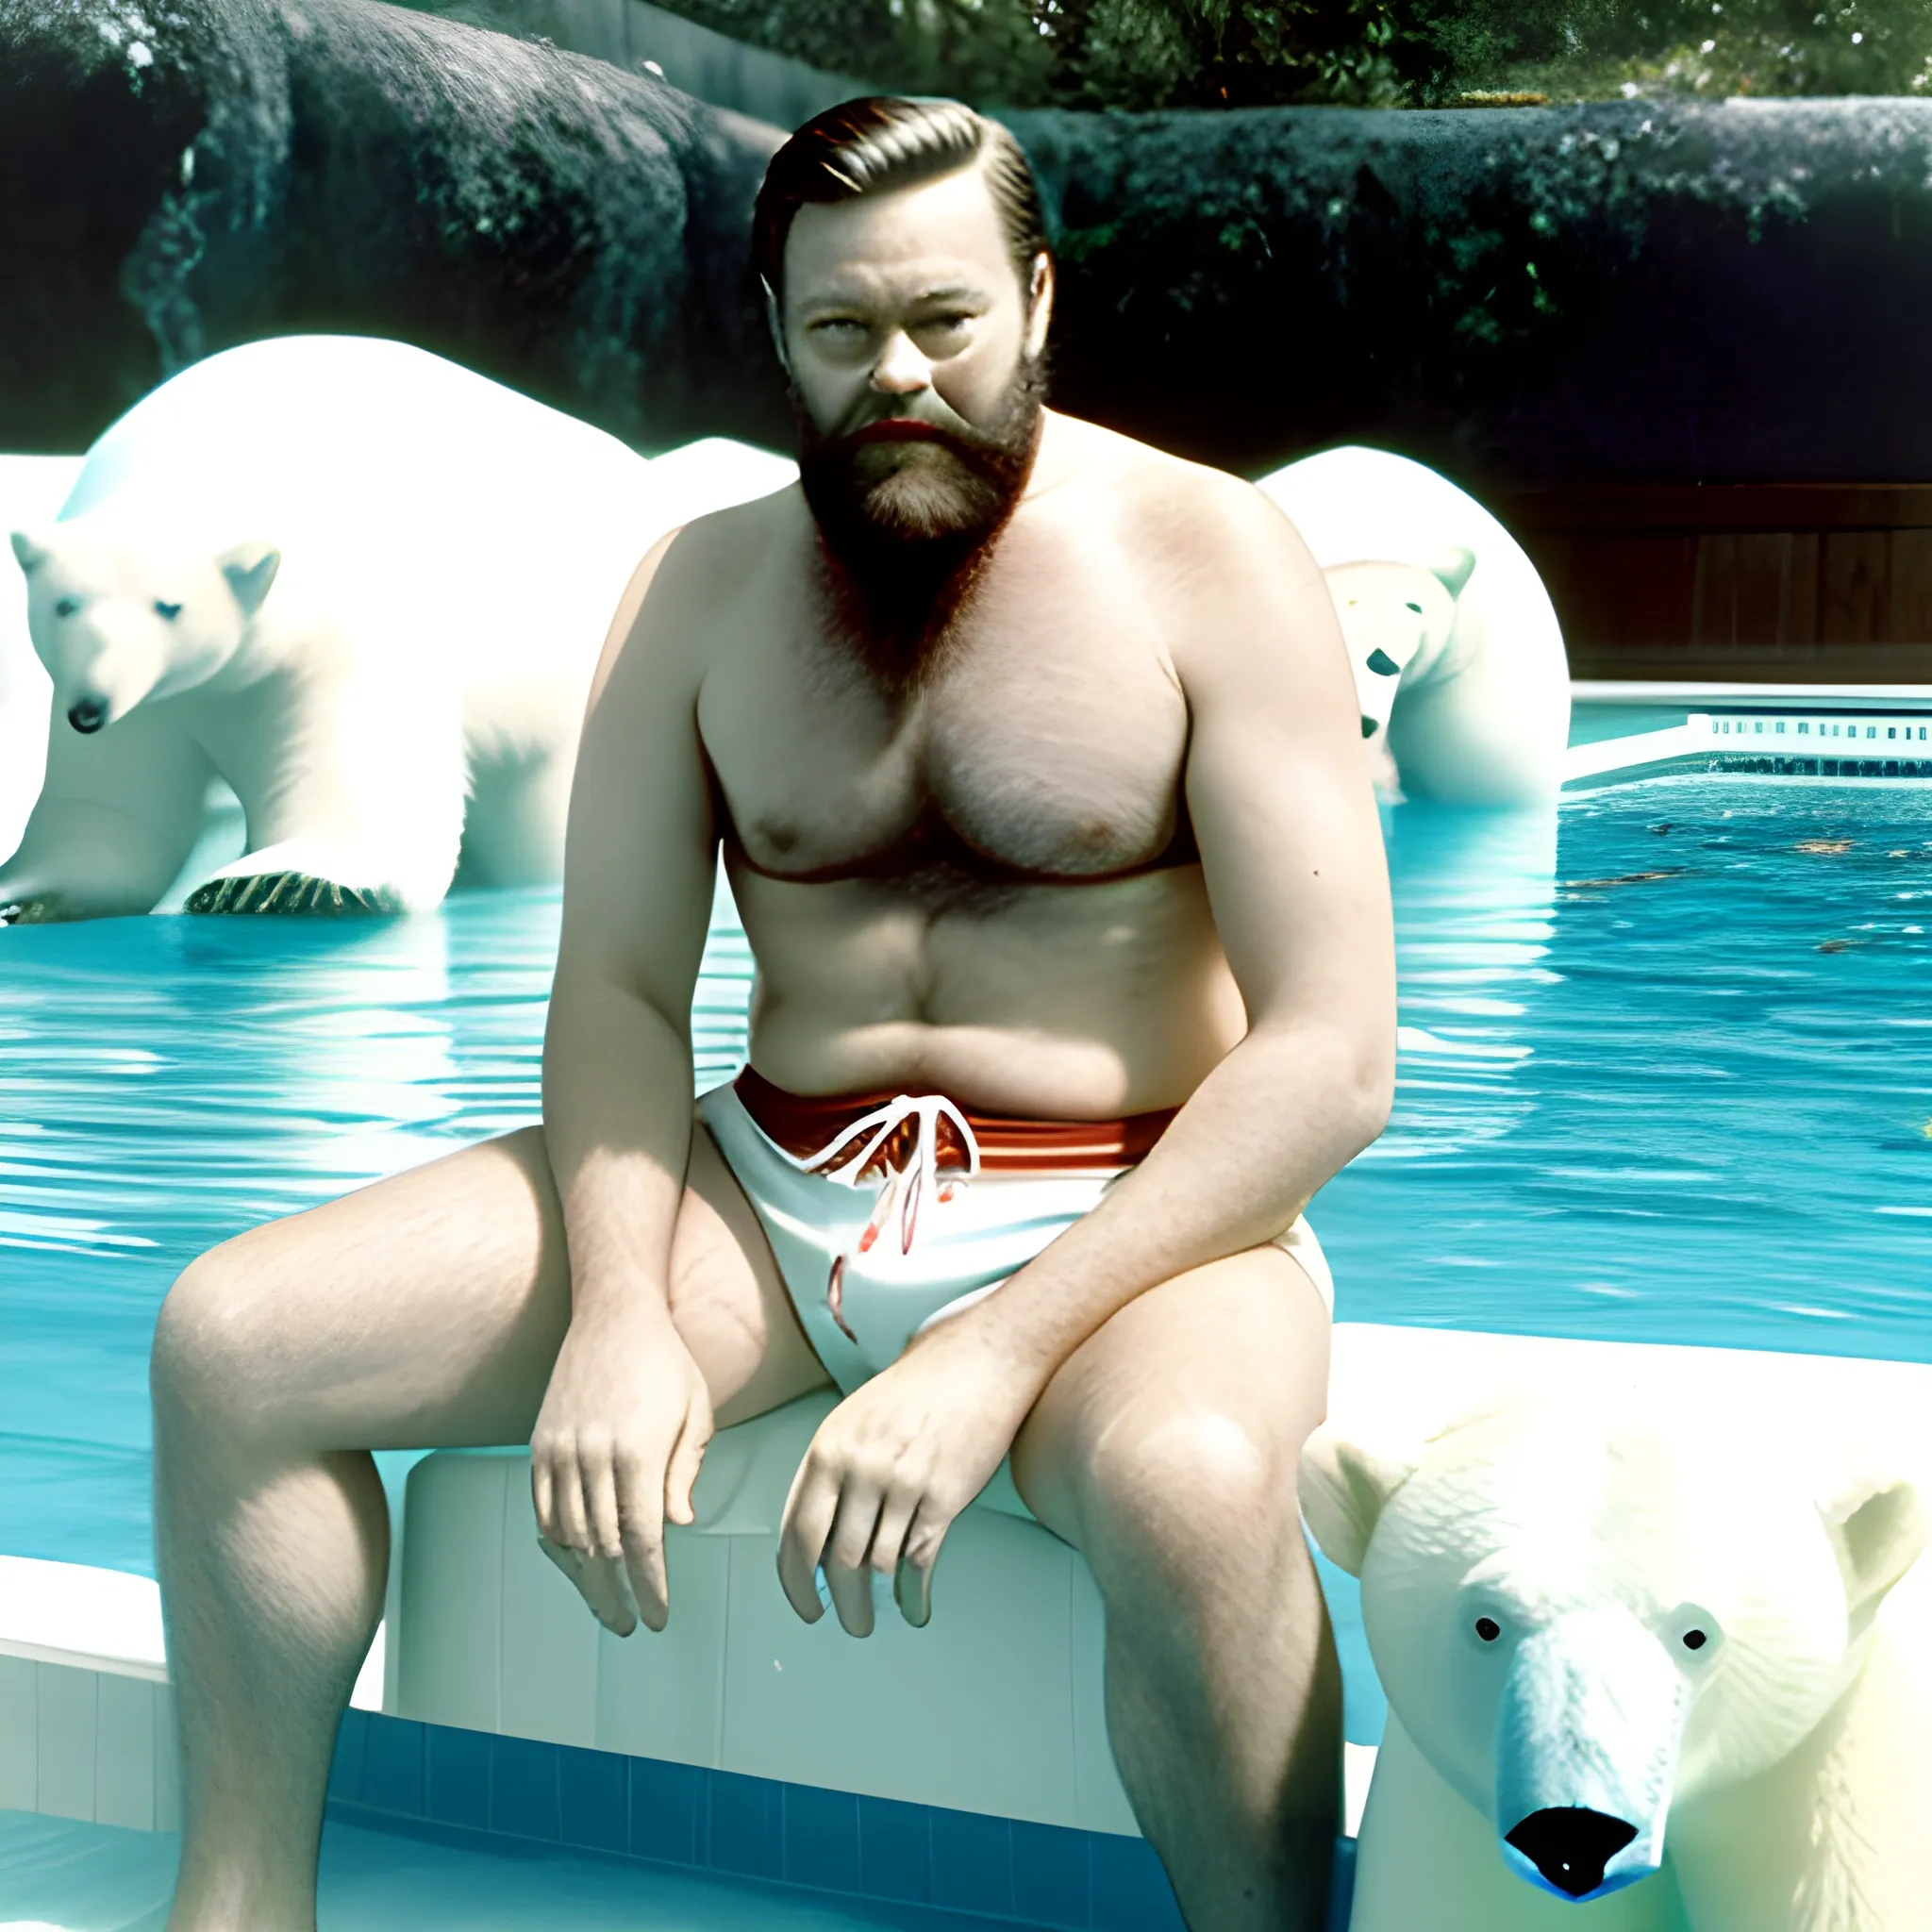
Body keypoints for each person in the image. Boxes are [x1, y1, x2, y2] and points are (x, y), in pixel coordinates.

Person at [149, 96, 1394, 1932]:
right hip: (774, 1177)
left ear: (1035, 301)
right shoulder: (705, 585)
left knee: (1198, 1486)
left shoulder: (1211, 561)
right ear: (777, 325)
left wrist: (990, 1350)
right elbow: (624, 990)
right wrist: (625, 1312)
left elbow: (1329, 1057)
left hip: (1123, 1221)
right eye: (841, 331)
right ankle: (236, 1910)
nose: (897, 371)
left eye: (946, 322)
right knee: (233, 1343)